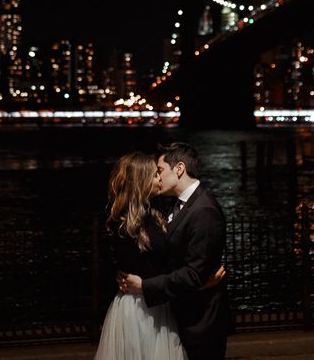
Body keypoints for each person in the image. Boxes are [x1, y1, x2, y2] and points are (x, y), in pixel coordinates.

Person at [95, 152, 224, 360]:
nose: (159, 178)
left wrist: (197, 280)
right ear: (141, 180)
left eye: (159, 172)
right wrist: (199, 283)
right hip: (139, 309)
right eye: (155, 174)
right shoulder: (125, 225)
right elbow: (149, 268)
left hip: (156, 304)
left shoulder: (152, 215)